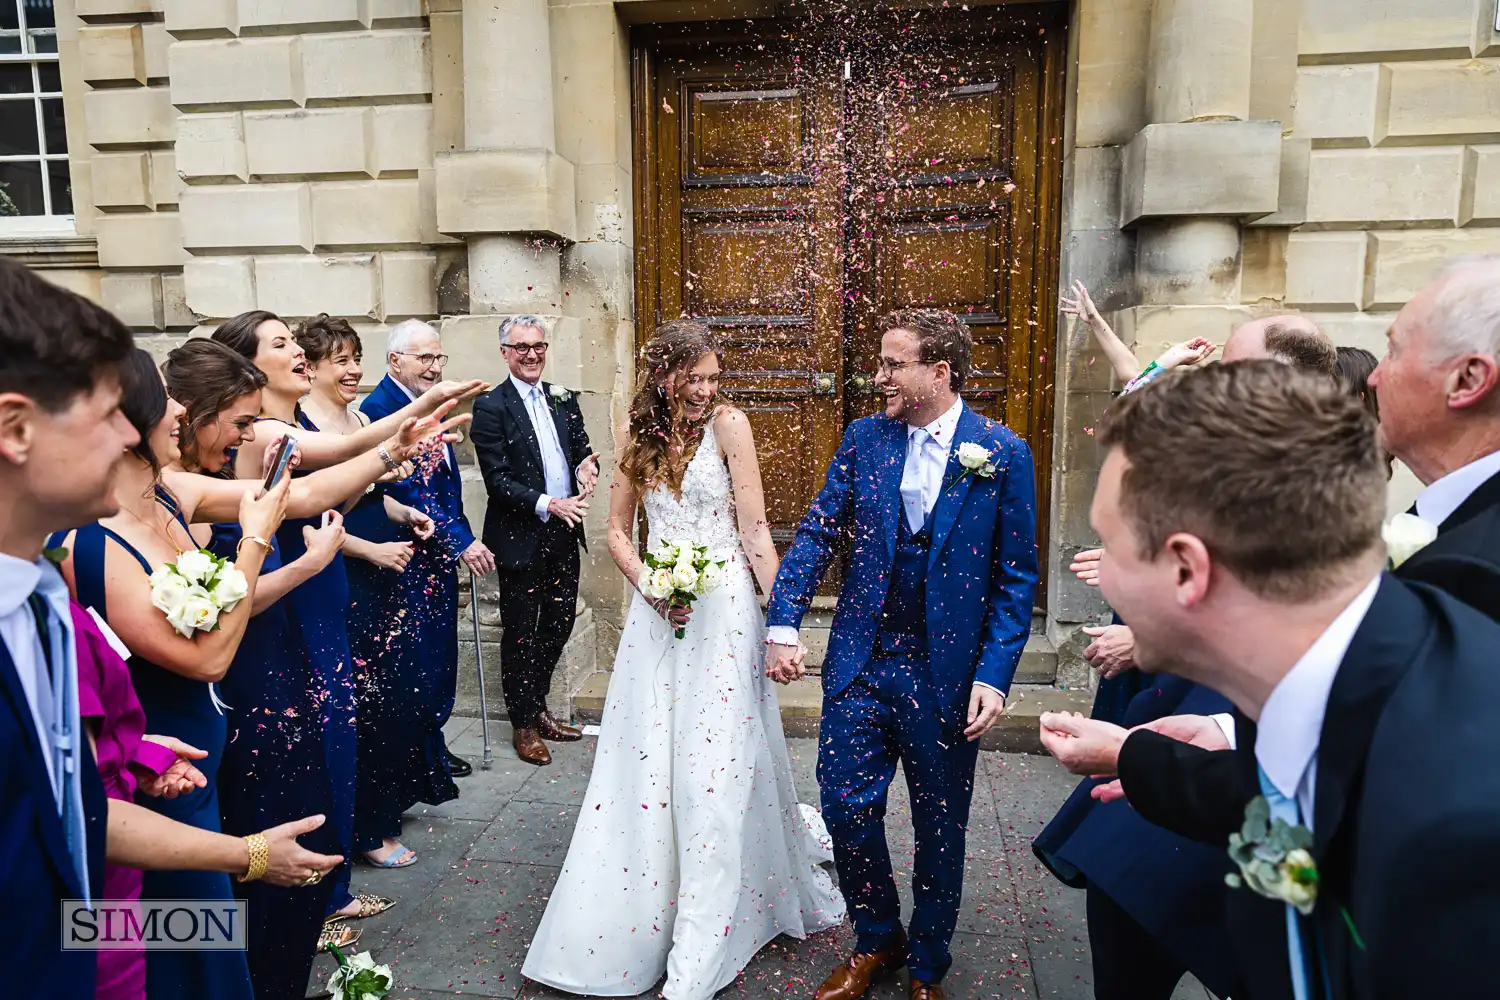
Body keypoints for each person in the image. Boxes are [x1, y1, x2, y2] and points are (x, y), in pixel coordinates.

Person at [1040, 359, 1500, 1000]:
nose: (1101, 575)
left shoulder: (1450, 820)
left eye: (1110, 546)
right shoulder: (1304, 695)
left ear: (1186, 570)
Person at [521, 319, 844, 1000]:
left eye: (713, 379)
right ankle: (642, 906)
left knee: (714, 768)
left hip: (723, 612)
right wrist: (652, 584)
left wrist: (781, 622)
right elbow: (615, 531)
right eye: (692, 378)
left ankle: (701, 946)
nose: (705, 390)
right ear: (661, 377)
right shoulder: (638, 437)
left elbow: (754, 528)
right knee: (648, 762)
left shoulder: (731, 426)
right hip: (658, 619)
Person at [1035, 312, 1341, 1000]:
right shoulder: (1214, 462)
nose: (1212, 389)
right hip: (1186, 716)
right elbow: (1132, 437)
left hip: (1242, 742)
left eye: (1229, 374)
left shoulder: (1322, 495)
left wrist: (1154, 638)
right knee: (1120, 897)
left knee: (1188, 898)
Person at [163, 336, 468, 999]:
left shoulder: (175, 489)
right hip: (182, 740)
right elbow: (210, 641)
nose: (258, 433)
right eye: (243, 423)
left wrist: (396, 444)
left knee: (233, 900)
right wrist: (293, 556)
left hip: (194, 739)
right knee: (161, 924)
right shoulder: (121, 521)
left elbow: (304, 496)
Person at [763, 309, 1038, 1000]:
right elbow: (821, 530)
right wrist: (785, 623)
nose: (877, 376)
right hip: (863, 659)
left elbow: (1015, 579)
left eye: (892, 364)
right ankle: (877, 936)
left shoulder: (1001, 451)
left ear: (939, 373)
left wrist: (994, 675)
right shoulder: (866, 439)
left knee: (940, 822)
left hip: (945, 673)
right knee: (845, 806)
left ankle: (927, 964)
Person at [213, 311, 452, 926]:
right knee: (307, 745)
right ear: (247, 365)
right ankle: (308, 900)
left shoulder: (284, 425)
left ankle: (325, 888)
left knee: (334, 740)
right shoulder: (267, 433)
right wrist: (412, 426)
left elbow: (335, 497)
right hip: (290, 595)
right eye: (282, 343)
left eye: (295, 341)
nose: (298, 351)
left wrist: (386, 476)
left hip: (322, 585)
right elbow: (330, 474)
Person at [296, 314, 437, 872]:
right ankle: (364, 831)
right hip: (346, 573)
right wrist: (370, 550)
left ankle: (378, 811)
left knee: (392, 698)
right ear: (310, 368)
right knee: (362, 703)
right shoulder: (303, 425)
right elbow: (311, 513)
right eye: (342, 361)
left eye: (357, 358)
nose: (355, 370)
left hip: (386, 570)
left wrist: (404, 511)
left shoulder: (357, 417)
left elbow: (369, 494)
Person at [343, 319, 485, 836]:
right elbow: (411, 493)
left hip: (433, 554)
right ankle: (415, 764)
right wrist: (458, 541)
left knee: (435, 661)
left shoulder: (432, 407)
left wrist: (458, 536)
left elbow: (448, 487)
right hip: (402, 557)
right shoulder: (381, 411)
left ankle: (429, 752)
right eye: (424, 358)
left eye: (439, 359)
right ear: (395, 360)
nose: (433, 367)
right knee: (413, 666)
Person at [469, 315, 600, 766]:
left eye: (539, 347)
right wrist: (550, 503)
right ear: (505, 351)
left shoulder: (563, 398)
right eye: (521, 347)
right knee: (521, 633)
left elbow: (581, 448)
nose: (531, 355)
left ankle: (538, 706)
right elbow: (497, 481)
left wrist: (586, 466)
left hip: (564, 532)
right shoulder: (490, 407)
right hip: (520, 537)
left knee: (559, 623)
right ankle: (523, 725)